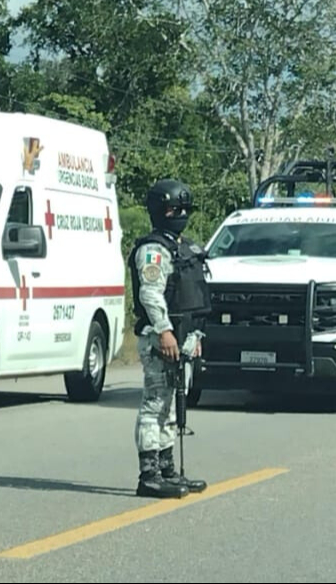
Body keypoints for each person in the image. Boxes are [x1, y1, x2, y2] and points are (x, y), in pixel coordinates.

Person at [127, 178, 211, 498]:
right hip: (160, 338)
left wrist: (194, 335)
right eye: (175, 208)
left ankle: (168, 470)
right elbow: (150, 294)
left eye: (184, 208)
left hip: (184, 338)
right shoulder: (153, 250)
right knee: (155, 405)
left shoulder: (181, 246)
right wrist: (164, 331)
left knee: (173, 408)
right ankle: (149, 474)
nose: (181, 213)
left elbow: (193, 295)